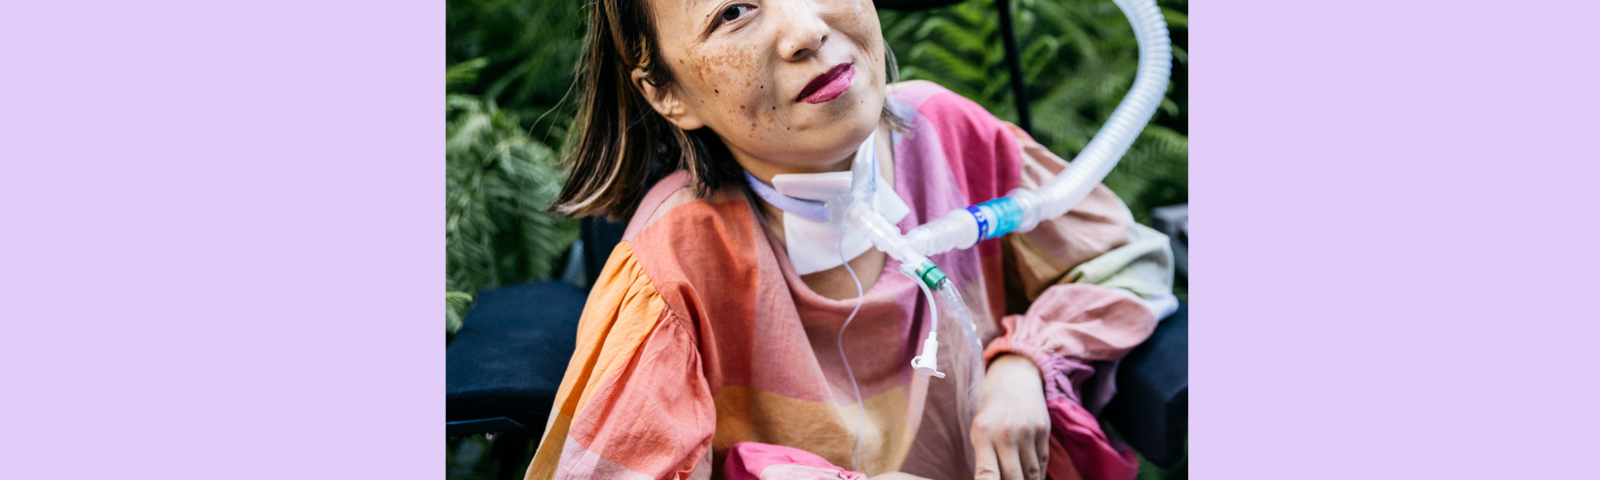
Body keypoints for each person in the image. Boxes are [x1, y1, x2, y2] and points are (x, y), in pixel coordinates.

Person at [529, 0, 1176, 478]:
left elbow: (1123, 261)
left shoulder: (947, 137)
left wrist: (1025, 362)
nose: (806, 29)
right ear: (666, 93)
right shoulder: (673, 268)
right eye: (732, 13)